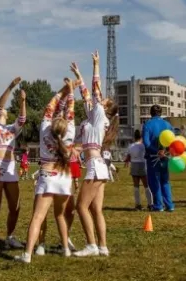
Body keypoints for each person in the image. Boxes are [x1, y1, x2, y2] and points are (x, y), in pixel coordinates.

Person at [15, 79, 76, 263]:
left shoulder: (44, 130)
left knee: (37, 217)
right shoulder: (70, 132)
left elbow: (49, 108)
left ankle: (27, 254)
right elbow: (70, 111)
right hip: (64, 177)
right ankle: (65, 249)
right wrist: (71, 91)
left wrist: (61, 92)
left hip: (47, 175)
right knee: (60, 215)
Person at [69, 51, 119, 257]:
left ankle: (91, 245)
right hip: (97, 165)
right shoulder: (94, 116)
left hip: (95, 166)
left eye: (105, 101)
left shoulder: (100, 115)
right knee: (96, 209)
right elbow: (86, 94)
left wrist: (96, 65)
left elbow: (95, 89)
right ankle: (103, 247)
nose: (102, 99)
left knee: (81, 207)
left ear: (106, 109)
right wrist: (79, 75)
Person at [0, 77, 26, 254]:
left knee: (15, 206)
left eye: (5, 112)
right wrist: (10, 87)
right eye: (2, 111)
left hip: (9, 167)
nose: (4, 112)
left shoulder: (11, 129)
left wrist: (23, 101)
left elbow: (22, 119)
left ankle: (10, 237)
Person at [142, 105, 175, 212]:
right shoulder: (168, 124)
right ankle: (170, 205)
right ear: (161, 113)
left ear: (151, 113)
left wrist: (156, 151)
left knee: (154, 181)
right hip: (165, 157)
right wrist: (165, 152)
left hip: (153, 157)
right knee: (165, 181)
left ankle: (158, 205)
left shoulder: (148, 124)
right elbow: (172, 141)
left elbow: (146, 143)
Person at [124, 130, 153, 210]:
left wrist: (126, 161)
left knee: (136, 186)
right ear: (142, 137)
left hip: (134, 165)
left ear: (134, 137)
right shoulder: (143, 145)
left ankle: (138, 205)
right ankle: (150, 204)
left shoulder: (131, 146)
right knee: (146, 186)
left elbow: (128, 157)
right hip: (143, 165)